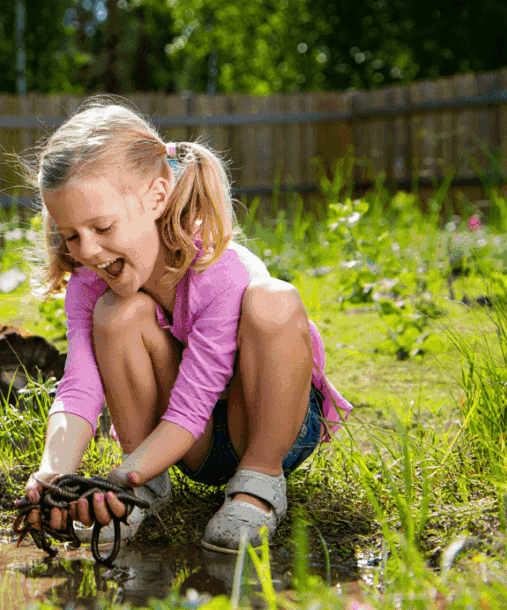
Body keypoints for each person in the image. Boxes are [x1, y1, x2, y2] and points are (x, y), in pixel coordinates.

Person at [19, 99, 352, 554]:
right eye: (72, 236)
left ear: (156, 197)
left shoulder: (217, 269)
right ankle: (146, 489)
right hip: (186, 443)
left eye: (102, 227)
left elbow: (194, 404)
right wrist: (53, 472)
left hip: (261, 419)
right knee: (118, 313)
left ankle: (259, 483)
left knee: (273, 300)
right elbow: (79, 384)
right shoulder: (88, 285)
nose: (89, 251)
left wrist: (121, 476)